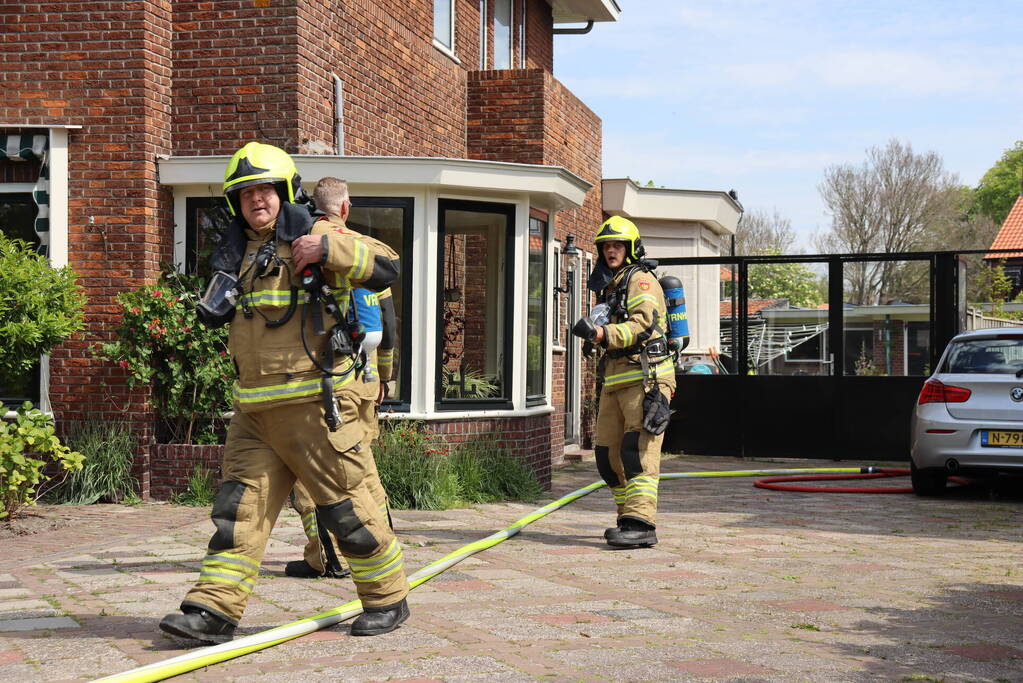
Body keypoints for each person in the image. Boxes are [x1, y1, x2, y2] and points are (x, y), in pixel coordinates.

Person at [159, 143, 410, 644]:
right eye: (245, 193)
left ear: (284, 192)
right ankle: (213, 610)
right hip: (254, 409)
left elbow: (388, 266)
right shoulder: (236, 255)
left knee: (348, 508)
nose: (256, 200)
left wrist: (328, 250)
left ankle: (387, 598)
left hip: (316, 405)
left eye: (265, 190)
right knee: (237, 513)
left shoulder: (315, 231)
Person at [284, 177, 399, 582]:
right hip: (365, 382)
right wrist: (386, 377)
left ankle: (326, 558)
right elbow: (388, 324)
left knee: (312, 477)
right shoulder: (365, 251)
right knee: (363, 470)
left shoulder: (305, 246)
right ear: (345, 208)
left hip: (323, 382)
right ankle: (384, 544)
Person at [571, 216, 676, 548]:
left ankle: (641, 523)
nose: (611, 251)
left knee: (637, 452)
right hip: (615, 380)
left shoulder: (641, 280)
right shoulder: (613, 285)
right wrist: (596, 339)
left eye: (617, 245)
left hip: (646, 378)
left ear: (630, 248)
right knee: (606, 456)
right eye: (606, 246)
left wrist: (604, 333)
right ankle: (625, 516)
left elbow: (644, 324)